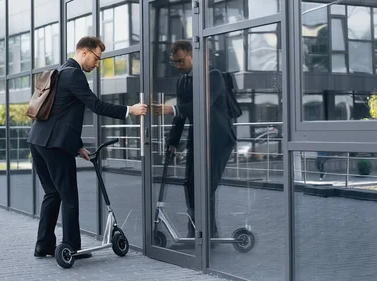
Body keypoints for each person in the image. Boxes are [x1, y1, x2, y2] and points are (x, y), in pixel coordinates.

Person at [27, 36, 147, 258]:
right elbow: (96, 105)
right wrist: (130, 110)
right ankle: (71, 247)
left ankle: (43, 245)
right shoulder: (74, 75)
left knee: (52, 194)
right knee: (69, 196)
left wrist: (78, 146)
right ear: (84, 52)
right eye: (96, 58)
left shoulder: (62, 71)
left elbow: (61, 114)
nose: (97, 63)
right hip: (54, 145)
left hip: (38, 141)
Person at [154, 40, 236, 239]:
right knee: (190, 184)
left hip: (217, 138)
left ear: (192, 55)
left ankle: (207, 234)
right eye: (174, 62)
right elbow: (181, 116)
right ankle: (198, 231)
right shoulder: (182, 81)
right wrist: (173, 142)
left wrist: (171, 108)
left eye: (181, 61)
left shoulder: (213, 76)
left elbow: (201, 104)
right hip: (197, 137)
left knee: (205, 185)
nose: (178, 66)